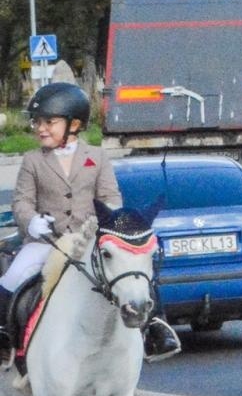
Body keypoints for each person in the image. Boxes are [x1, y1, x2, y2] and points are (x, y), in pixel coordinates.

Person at [0, 83, 182, 360]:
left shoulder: (96, 158)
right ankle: (5, 335)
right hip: (48, 242)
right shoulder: (32, 160)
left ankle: (157, 327)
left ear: (74, 124)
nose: (41, 128)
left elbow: (110, 196)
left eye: (49, 122)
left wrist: (109, 218)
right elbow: (21, 201)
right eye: (37, 122)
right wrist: (31, 221)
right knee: (13, 277)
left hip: (89, 240)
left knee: (136, 271)